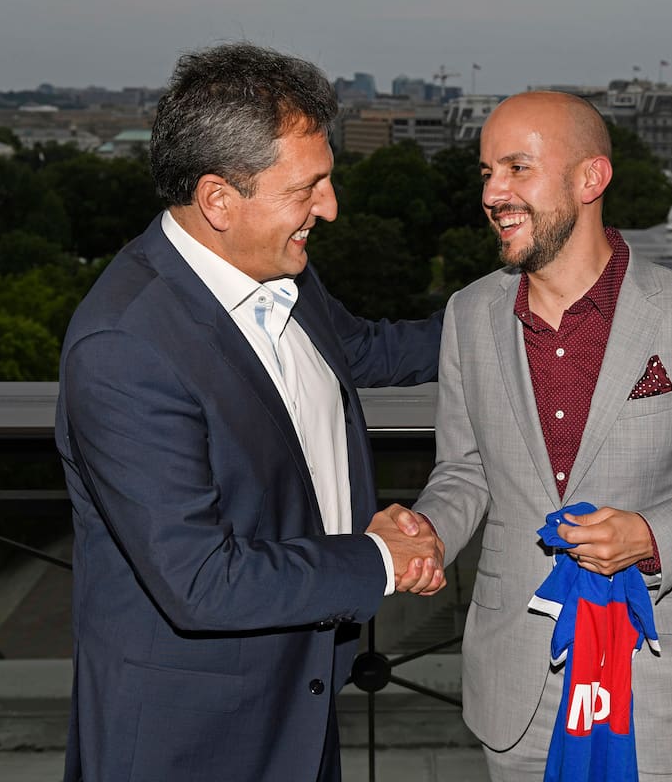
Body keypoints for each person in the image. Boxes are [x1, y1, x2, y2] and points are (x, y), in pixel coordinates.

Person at [54, 42, 446, 782]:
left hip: (300, 694)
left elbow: (363, 352)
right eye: (309, 188)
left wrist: (516, 321)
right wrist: (379, 560)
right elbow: (199, 580)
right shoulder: (125, 348)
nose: (328, 207)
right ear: (218, 200)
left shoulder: (276, 263)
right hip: (194, 738)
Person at [392, 91, 672, 781]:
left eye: (517, 168)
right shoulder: (468, 314)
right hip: (515, 679)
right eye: (486, 172)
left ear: (590, 179)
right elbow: (466, 469)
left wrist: (653, 534)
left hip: (657, 683)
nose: (493, 192)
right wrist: (426, 528)